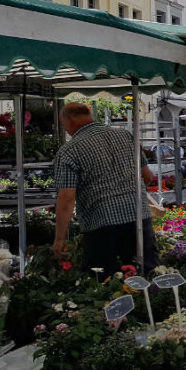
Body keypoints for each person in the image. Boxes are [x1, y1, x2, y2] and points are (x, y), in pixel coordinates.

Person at [52, 103, 158, 275]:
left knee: (104, 282)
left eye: (64, 125)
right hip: (139, 217)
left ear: (69, 120)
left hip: (102, 225)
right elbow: (147, 176)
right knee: (145, 277)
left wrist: (59, 239)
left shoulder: (69, 151)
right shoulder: (125, 136)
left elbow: (66, 199)